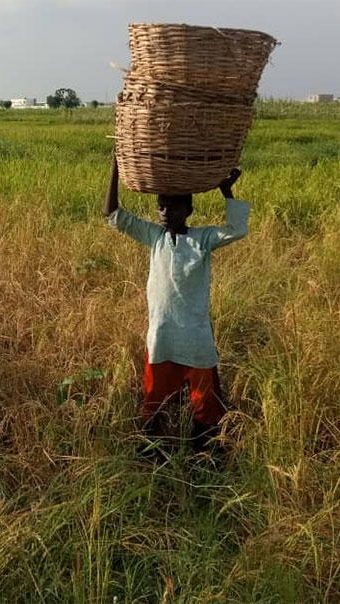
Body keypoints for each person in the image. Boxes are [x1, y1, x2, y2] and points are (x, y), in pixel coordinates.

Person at [104, 154, 249, 457]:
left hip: (195, 335)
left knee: (204, 400)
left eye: (173, 206)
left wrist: (226, 190)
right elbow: (114, 214)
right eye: (161, 206)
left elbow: (236, 229)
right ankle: (152, 448)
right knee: (155, 395)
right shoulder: (155, 236)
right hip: (162, 333)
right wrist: (116, 168)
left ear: (189, 209)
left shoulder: (202, 239)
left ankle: (206, 452)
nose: (166, 212)